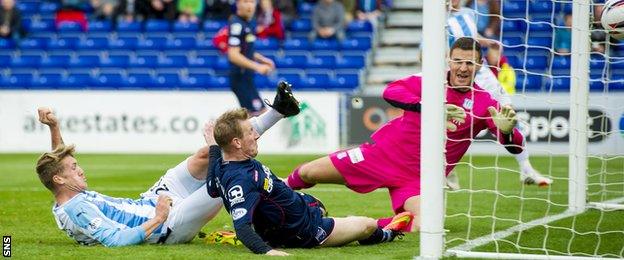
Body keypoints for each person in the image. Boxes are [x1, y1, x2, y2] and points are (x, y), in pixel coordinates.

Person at [285, 37, 527, 232]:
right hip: (381, 155)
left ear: (479, 65)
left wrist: (507, 133)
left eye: (470, 63)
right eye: (458, 61)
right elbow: (391, 91)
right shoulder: (429, 83)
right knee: (308, 172)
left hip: (419, 179)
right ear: (449, 61)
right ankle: (273, 193)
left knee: (426, 226)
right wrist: (428, 106)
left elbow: (514, 146)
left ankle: (364, 226)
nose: (463, 68)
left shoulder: (485, 102)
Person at [35, 82, 297, 247]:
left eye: (76, 164)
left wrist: (54, 127)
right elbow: (115, 240)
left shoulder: (65, 193)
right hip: (167, 225)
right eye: (73, 169)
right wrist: (160, 217)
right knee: (226, 175)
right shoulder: (77, 210)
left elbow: (57, 164)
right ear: (59, 180)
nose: (79, 169)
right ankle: (287, 201)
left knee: (203, 156)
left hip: (151, 201)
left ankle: (279, 110)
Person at [206, 84, 412, 255]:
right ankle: (385, 233)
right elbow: (242, 227)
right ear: (237, 143)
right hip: (304, 231)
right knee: (367, 225)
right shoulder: (241, 180)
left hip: (300, 209)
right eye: (250, 132)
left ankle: (342, 226)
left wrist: (213, 148)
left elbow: (212, 189)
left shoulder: (224, 164)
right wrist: (267, 251)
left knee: (320, 205)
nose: (256, 135)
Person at [447, 0, 553, 188]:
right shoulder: (438, 22)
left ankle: (526, 168)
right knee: (450, 125)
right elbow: (425, 53)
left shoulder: (468, 13)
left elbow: (472, 38)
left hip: (483, 74)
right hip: (460, 77)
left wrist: (488, 42)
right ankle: (445, 170)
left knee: (508, 114)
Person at [228, 0, 276, 116]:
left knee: (259, 115)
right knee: (255, 117)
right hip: (240, 78)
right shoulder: (237, 25)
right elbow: (233, 55)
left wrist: (262, 59)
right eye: (245, 1)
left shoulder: (249, 23)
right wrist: (258, 67)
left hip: (247, 78)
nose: (250, 5)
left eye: (252, 2)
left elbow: (245, 50)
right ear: (238, 4)